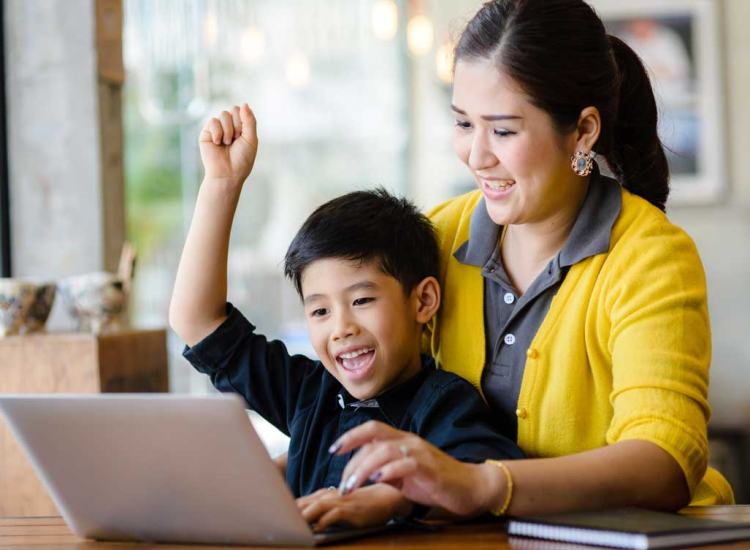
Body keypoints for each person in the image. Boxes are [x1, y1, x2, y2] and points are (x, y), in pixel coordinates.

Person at [327, 0, 734, 518]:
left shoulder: (650, 258)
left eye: (502, 130)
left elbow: (664, 464)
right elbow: (376, 389)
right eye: (463, 123)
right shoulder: (441, 233)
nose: (476, 155)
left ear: (583, 132)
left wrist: (478, 485)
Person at [168, 104, 524, 531]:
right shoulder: (308, 393)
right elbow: (197, 323)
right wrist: (221, 185)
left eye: (361, 301)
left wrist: (390, 498)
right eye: (320, 310)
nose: (341, 329)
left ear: (423, 301)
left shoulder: (442, 402)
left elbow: (488, 478)